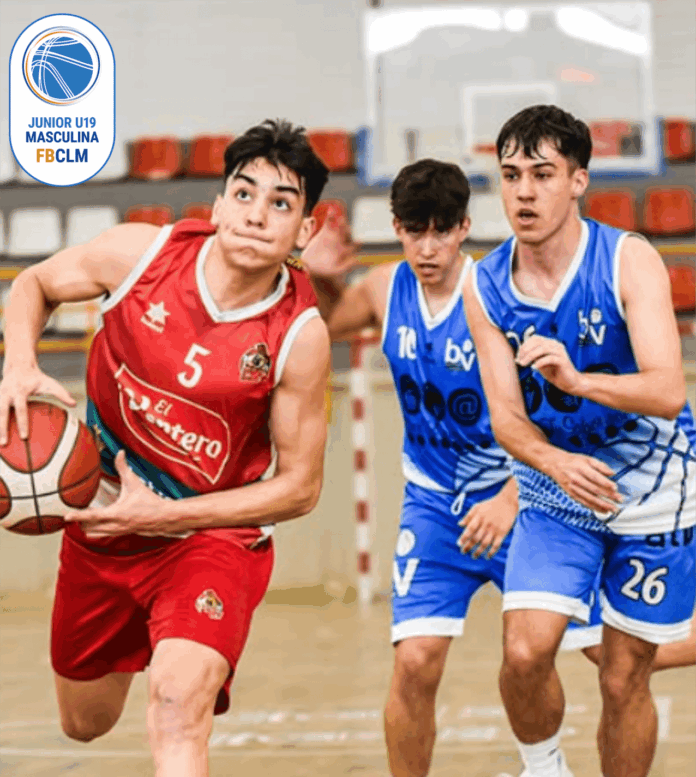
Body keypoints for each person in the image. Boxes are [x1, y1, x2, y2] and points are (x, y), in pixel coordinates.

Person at [0, 119, 332, 777]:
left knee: (177, 705)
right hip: (102, 521)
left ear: (306, 230)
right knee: (84, 722)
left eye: (281, 203)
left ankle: (186, 648)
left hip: (210, 536)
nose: (256, 215)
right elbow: (33, 283)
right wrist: (19, 365)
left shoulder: (299, 334)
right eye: (244, 193)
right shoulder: (139, 257)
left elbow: (300, 488)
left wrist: (167, 515)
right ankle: (160, 641)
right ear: (218, 205)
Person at [463, 104, 696, 777]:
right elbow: (507, 418)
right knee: (524, 651)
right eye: (511, 175)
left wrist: (579, 380)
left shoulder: (628, 259)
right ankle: (544, 768)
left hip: (653, 488)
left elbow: (667, 390)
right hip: (557, 487)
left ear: (578, 181)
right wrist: (553, 462)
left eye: (542, 174)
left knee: (623, 675)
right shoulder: (484, 284)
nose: (524, 191)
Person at [303, 158, 519, 777]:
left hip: (515, 496)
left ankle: (544, 762)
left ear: (464, 228)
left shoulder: (499, 295)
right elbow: (322, 326)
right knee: (415, 661)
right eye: (415, 231)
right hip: (433, 505)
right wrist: (318, 277)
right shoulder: (382, 288)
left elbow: (552, 412)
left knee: (550, 653)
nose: (428, 248)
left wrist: (512, 496)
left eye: (441, 231)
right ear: (396, 228)